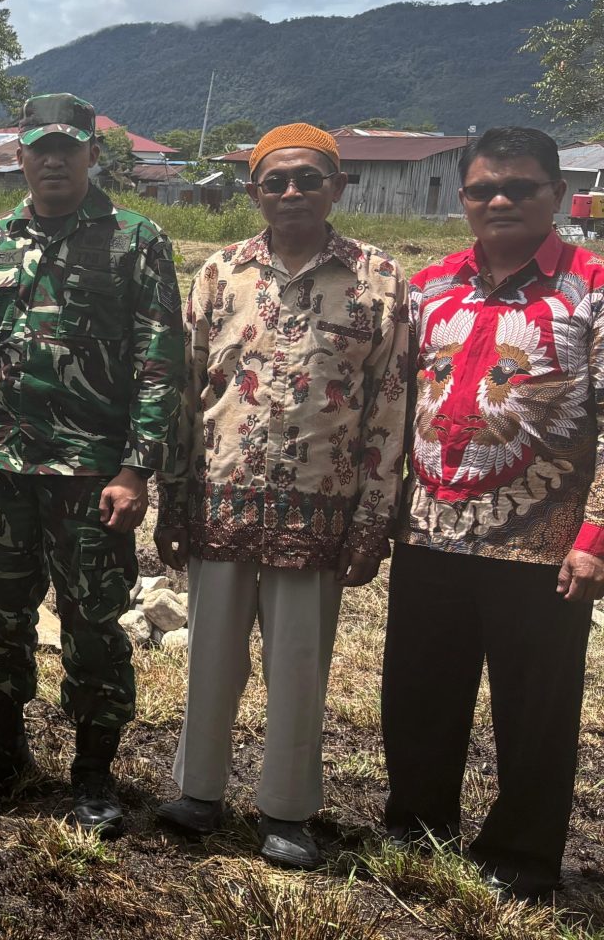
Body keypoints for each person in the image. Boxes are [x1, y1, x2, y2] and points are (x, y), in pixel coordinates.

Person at [151, 124, 410, 869]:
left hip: (319, 507)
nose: (292, 192)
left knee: (299, 664)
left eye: (308, 179)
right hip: (220, 498)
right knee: (211, 657)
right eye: (276, 181)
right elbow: (183, 391)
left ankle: (288, 810)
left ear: (338, 185)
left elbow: (390, 405)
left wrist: (373, 517)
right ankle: (198, 792)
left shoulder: (380, 280)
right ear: (254, 190)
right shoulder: (218, 274)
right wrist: (173, 497)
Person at [0, 93, 183, 837]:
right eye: (39, 147)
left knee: (94, 627)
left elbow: (159, 362)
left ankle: (94, 773)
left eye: (68, 148)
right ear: (21, 154)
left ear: (91, 155)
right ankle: (2, 749)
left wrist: (138, 469)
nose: (52, 160)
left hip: (91, 476)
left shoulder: (136, 241)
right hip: (3, 470)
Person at [383, 126, 604, 900]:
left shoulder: (592, 286)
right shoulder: (430, 285)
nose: (501, 200)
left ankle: (522, 855)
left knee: (536, 709)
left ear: (559, 195)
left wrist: (596, 538)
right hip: (430, 529)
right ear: (464, 198)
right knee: (417, 690)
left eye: (521, 187)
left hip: (539, 543)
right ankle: (416, 824)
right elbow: (397, 402)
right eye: (483, 189)